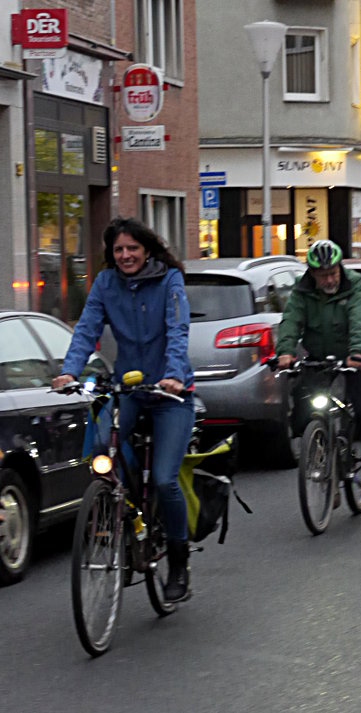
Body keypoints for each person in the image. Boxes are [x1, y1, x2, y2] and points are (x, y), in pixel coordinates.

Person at [52, 217, 195, 603]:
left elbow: (178, 330)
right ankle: (121, 507)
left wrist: (173, 375)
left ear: (146, 249)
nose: (126, 255)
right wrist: (69, 372)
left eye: (132, 248)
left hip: (171, 392)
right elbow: (86, 329)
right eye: (119, 250)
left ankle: (179, 561)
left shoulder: (169, 281)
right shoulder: (105, 283)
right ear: (111, 255)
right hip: (129, 388)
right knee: (101, 445)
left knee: (165, 479)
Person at [276, 239, 361, 492]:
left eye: (333, 273)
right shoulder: (302, 291)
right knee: (303, 407)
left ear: (340, 268)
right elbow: (290, 321)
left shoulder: (355, 285)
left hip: (353, 358)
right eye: (323, 276)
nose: (329, 280)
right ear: (312, 274)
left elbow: (359, 321)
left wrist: (358, 352)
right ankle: (321, 458)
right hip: (319, 359)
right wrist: (285, 352)